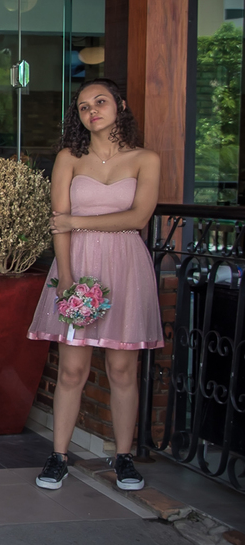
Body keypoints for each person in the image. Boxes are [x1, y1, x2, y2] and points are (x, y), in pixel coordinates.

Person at [27, 78, 163, 492]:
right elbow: (59, 223)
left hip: (126, 268)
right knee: (72, 369)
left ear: (120, 105)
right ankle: (58, 456)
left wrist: (77, 221)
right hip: (78, 264)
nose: (92, 111)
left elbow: (138, 218)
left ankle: (124, 458)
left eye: (100, 102)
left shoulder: (146, 159)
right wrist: (66, 277)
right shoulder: (69, 158)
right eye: (84, 107)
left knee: (122, 368)